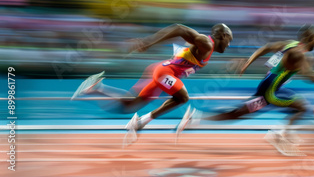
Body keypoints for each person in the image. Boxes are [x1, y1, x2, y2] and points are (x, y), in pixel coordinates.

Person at [177, 24, 314, 155]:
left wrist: (248, 62)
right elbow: (310, 76)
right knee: (301, 106)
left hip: (268, 85)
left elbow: (266, 48)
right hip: (270, 92)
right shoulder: (299, 54)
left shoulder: (290, 44)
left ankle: (196, 119)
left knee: (237, 114)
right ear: (310, 38)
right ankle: (279, 135)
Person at [72, 23, 233, 144]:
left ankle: (96, 88)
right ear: (224, 35)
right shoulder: (206, 43)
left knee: (128, 105)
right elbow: (178, 28)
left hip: (162, 71)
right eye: (229, 40)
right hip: (164, 73)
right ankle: (141, 122)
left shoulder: (208, 48)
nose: (229, 45)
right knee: (183, 97)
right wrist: (149, 42)